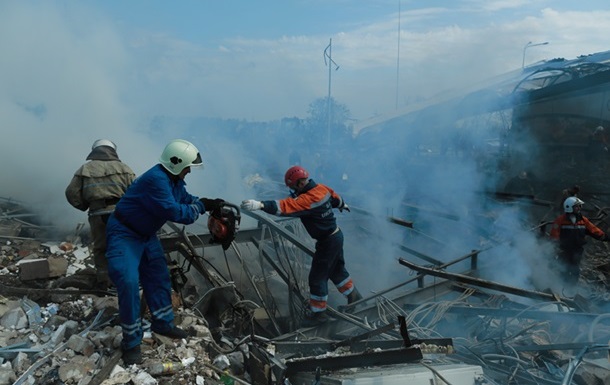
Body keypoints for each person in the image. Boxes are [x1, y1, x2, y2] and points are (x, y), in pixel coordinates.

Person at [105, 139, 225, 365]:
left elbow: (184, 199)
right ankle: (131, 343)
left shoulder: (172, 180)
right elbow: (176, 211)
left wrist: (204, 202)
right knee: (129, 282)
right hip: (125, 234)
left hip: (146, 234)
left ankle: (163, 323)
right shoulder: (156, 180)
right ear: (176, 163)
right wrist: (199, 208)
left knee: (158, 277)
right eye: (187, 167)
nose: (189, 171)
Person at [241, 165, 362, 327]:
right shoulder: (321, 189)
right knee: (337, 270)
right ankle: (354, 296)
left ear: (299, 184)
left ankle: (319, 314)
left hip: (327, 241)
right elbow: (334, 197)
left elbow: (285, 207)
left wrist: (260, 205)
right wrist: (342, 204)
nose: (292, 191)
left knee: (317, 277)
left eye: (292, 187)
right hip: (335, 236)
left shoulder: (307, 199)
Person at [65, 139, 136, 290]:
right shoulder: (125, 169)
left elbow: (71, 193)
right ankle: (125, 281)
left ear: (94, 150)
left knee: (101, 248)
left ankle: (104, 282)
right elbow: (136, 193)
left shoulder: (84, 169)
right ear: (113, 151)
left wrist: (84, 205)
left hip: (97, 214)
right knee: (123, 245)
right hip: (121, 214)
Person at [549, 196, 609, 284]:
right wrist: (555, 248)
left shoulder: (583, 220)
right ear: (569, 207)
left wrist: (605, 237)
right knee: (564, 268)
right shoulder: (560, 220)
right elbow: (554, 235)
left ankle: (572, 290)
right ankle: (561, 288)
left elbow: (594, 230)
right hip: (564, 250)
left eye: (579, 206)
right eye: (576, 206)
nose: (579, 208)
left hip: (577, 250)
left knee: (575, 270)